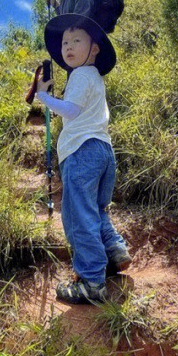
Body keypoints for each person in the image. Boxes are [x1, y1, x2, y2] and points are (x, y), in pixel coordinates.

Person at [33, 15, 132, 303]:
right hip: (102, 150)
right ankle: (114, 251)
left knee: (78, 217)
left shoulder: (80, 75)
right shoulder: (95, 79)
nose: (68, 47)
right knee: (96, 210)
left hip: (80, 152)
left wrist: (43, 97)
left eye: (77, 40)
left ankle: (91, 282)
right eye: (65, 42)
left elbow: (71, 111)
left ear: (95, 48)